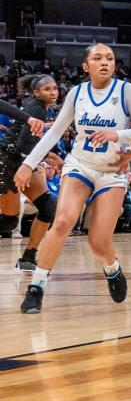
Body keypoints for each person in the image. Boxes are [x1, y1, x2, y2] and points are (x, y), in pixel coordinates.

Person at [14, 45, 131, 313]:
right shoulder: (77, 93)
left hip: (112, 172)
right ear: (85, 66)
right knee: (63, 221)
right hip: (80, 165)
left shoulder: (126, 91)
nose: (104, 62)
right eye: (97, 58)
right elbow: (54, 132)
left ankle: (112, 268)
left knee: (98, 242)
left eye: (110, 58)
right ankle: (37, 287)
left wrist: (120, 136)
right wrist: (27, 163)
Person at [0, 75, 62, 271]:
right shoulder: (36, 109)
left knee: (47, 208)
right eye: (47, 90)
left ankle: (28, 258)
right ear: (36, 93)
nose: (53, 93)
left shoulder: (38, 108)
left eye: (55, 88)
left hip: (22, 160)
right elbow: (22, 145)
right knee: (9, 221)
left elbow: (28, 144)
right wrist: (49, 156)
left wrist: (49, 155)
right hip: (9, 162)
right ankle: (27, 257)